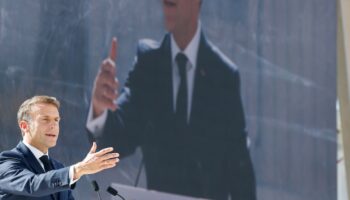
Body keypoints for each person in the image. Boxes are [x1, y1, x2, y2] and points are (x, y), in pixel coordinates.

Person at [87, 0, 256, 199]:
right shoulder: (149, 64)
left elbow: (241, 178)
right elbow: (115, 142)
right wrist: (100, 110)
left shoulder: (224, 77)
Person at [0, 95, 119, 200]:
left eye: (56, 120)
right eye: (45, 119)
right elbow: (33, 185)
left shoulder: (58, 168)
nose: (53, 125)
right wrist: (79, 169)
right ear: (24, 126)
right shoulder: (7, 162)